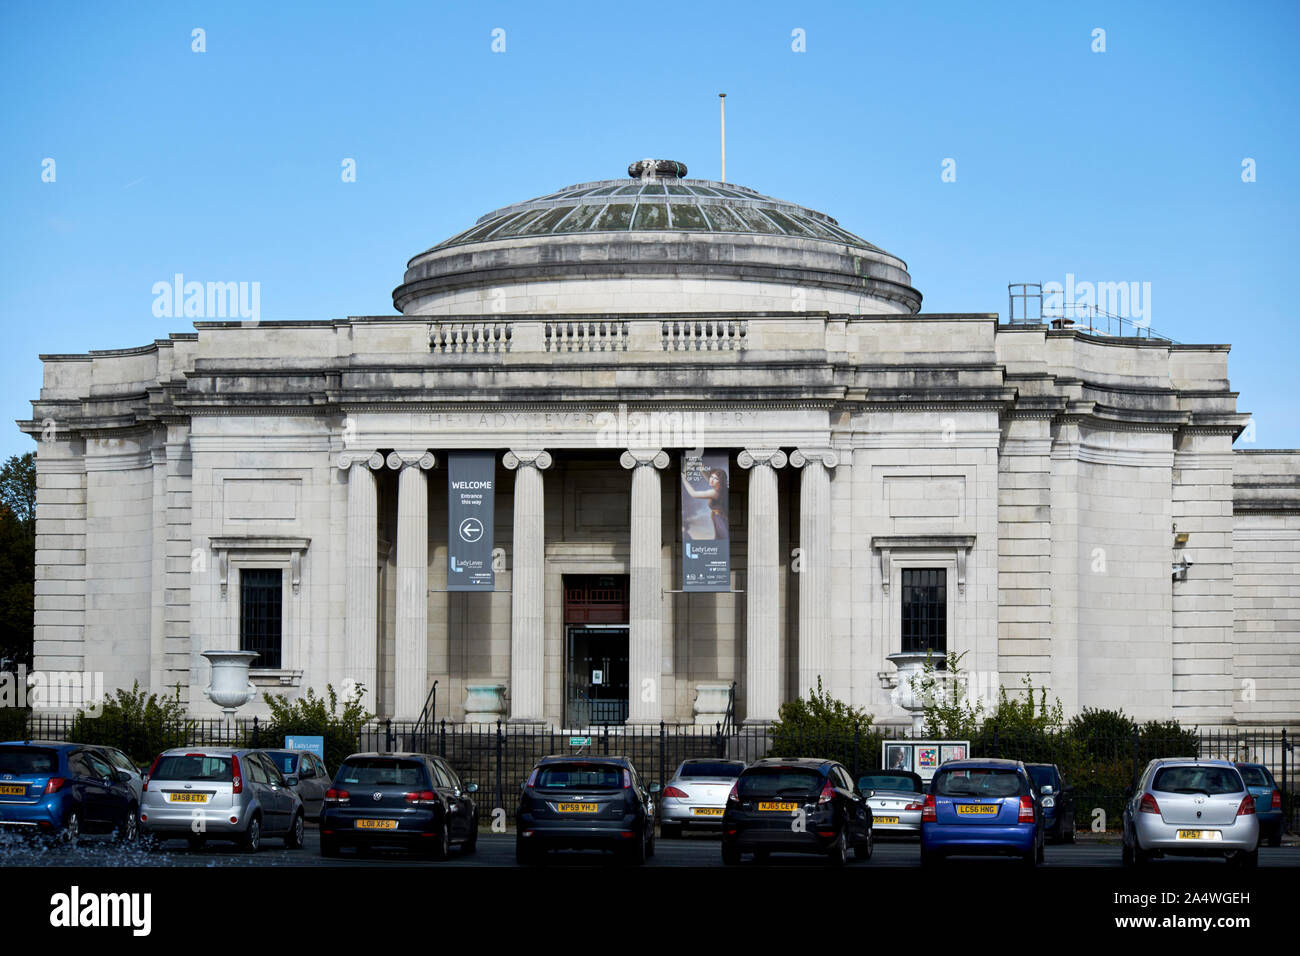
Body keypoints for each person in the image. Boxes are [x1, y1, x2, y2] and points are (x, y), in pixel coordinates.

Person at [682, 467, 729, 540]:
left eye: (716, 479)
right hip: (721, 519)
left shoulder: (714, 493)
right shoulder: (722, 488)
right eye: (711, 477)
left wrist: (684, 479)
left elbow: (693, 494)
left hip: (721, 521)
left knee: (722, 538)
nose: (712, 480)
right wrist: (702, 469)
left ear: (720, 482)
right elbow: (710, 481)